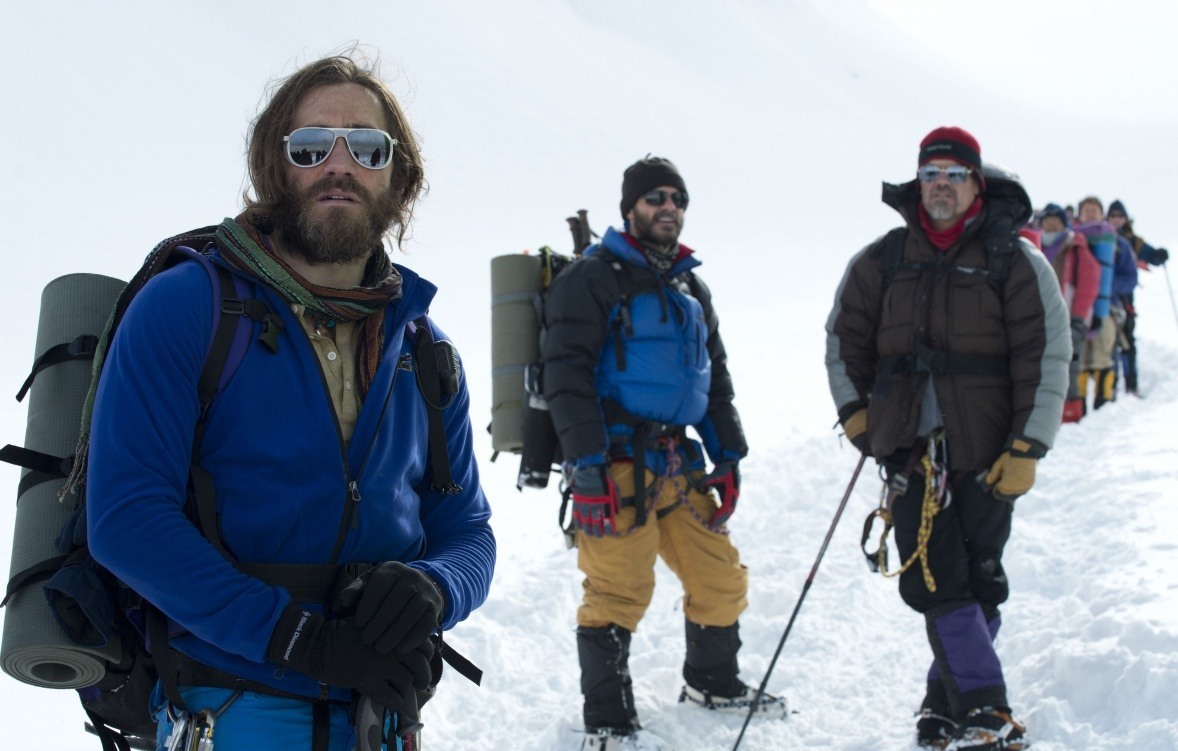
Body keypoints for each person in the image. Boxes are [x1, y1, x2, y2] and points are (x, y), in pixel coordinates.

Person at [86, 53, 496, 750]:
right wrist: (301, 640)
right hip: (229, 708)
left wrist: (437, 586)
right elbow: (127, 518)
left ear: (399, 176)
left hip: (381, 715)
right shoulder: (188, 307)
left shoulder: (426, 351)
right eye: (310, 147)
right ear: (275, 168)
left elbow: (468, 530)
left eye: (367, 147)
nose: (339, 165)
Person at [825, 127, 1070, 750]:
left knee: (979, 578)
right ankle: (987, 708)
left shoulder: (1017, 263)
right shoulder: (882, 259)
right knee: (934, 578)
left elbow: (1046, 358)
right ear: (918, 181)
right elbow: (843, 341)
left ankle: (943, 707)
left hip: (990, 452)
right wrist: (856, 416)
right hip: (910, 451)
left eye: (954, 174)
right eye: (931, 172)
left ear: (976, 184)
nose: (941, 184)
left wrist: (1028, 446)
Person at [542, 156, 784, 750]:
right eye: (655, 198)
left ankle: (712, 681)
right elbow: (566, 377)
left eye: (677, 198)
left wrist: (729, 456)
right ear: (631, 208)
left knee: (719, 577)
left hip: (680, 463)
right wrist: (587, 466)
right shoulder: (592, 278)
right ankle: (608, 720)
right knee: (617, 589)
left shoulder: (690, 286)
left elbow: (715, 380)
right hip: (615, 464)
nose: (668, 207)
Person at [1037, 203, 1100, 421]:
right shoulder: (1035, 246)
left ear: (1064, 223)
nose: (1051, 224)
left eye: (1056, 220)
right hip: (1040, 319)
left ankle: (1071, 414)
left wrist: (1079, 318)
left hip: (1069, 318)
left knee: (1069, 367)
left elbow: (1088, 284)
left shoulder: (1076, 247)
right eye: (1047, 220)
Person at [1073, 197, 1136, 408]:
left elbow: (1131, 278)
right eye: (1087, 210)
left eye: (1095, 210)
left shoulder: (1119, 245)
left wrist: (1107, 285)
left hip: (1108, 309)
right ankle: (1078, 408)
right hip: (1077, 310)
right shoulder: (1071, 242)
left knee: (1103, 358)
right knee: (1079, 359)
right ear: (1080, 215)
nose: (1091, 214)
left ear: (1102, 214)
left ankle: (1104, 405)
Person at [1106, 199, 1169, 395]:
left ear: (1126, 219)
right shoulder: (1100, 236)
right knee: (1107, 343)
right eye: (1113, 216)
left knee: (1127, 341)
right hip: (1103, 298)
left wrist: (1159, 255)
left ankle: (1131, 385)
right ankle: (1109, 388)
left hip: (1125, 298)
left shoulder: (1133, 241)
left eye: (1120, 216)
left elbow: (1151, 256)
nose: (1116, 219)